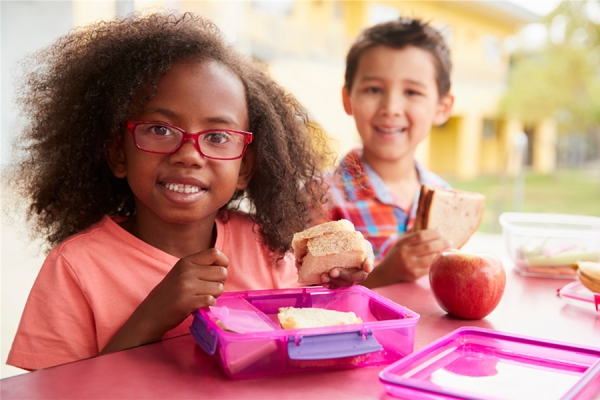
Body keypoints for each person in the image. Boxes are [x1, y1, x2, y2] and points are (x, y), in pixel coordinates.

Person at [5, 12, 371, 372]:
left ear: (243, 167)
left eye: (216, 137)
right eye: (160, 130)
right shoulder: (75, 268)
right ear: (119, 153)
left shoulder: (263, 247)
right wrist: (151, 317)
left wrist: (336, 290)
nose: (188, 155)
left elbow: (305, 346)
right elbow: (57, 393)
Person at [320, 17, 455, 288]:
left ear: (442, 107)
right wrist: (385, 274)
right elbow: (309, 296)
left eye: (412, 92)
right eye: (374, 89)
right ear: (348, 99)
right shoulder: (320, 197)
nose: (391, 107)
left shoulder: (447, 199)